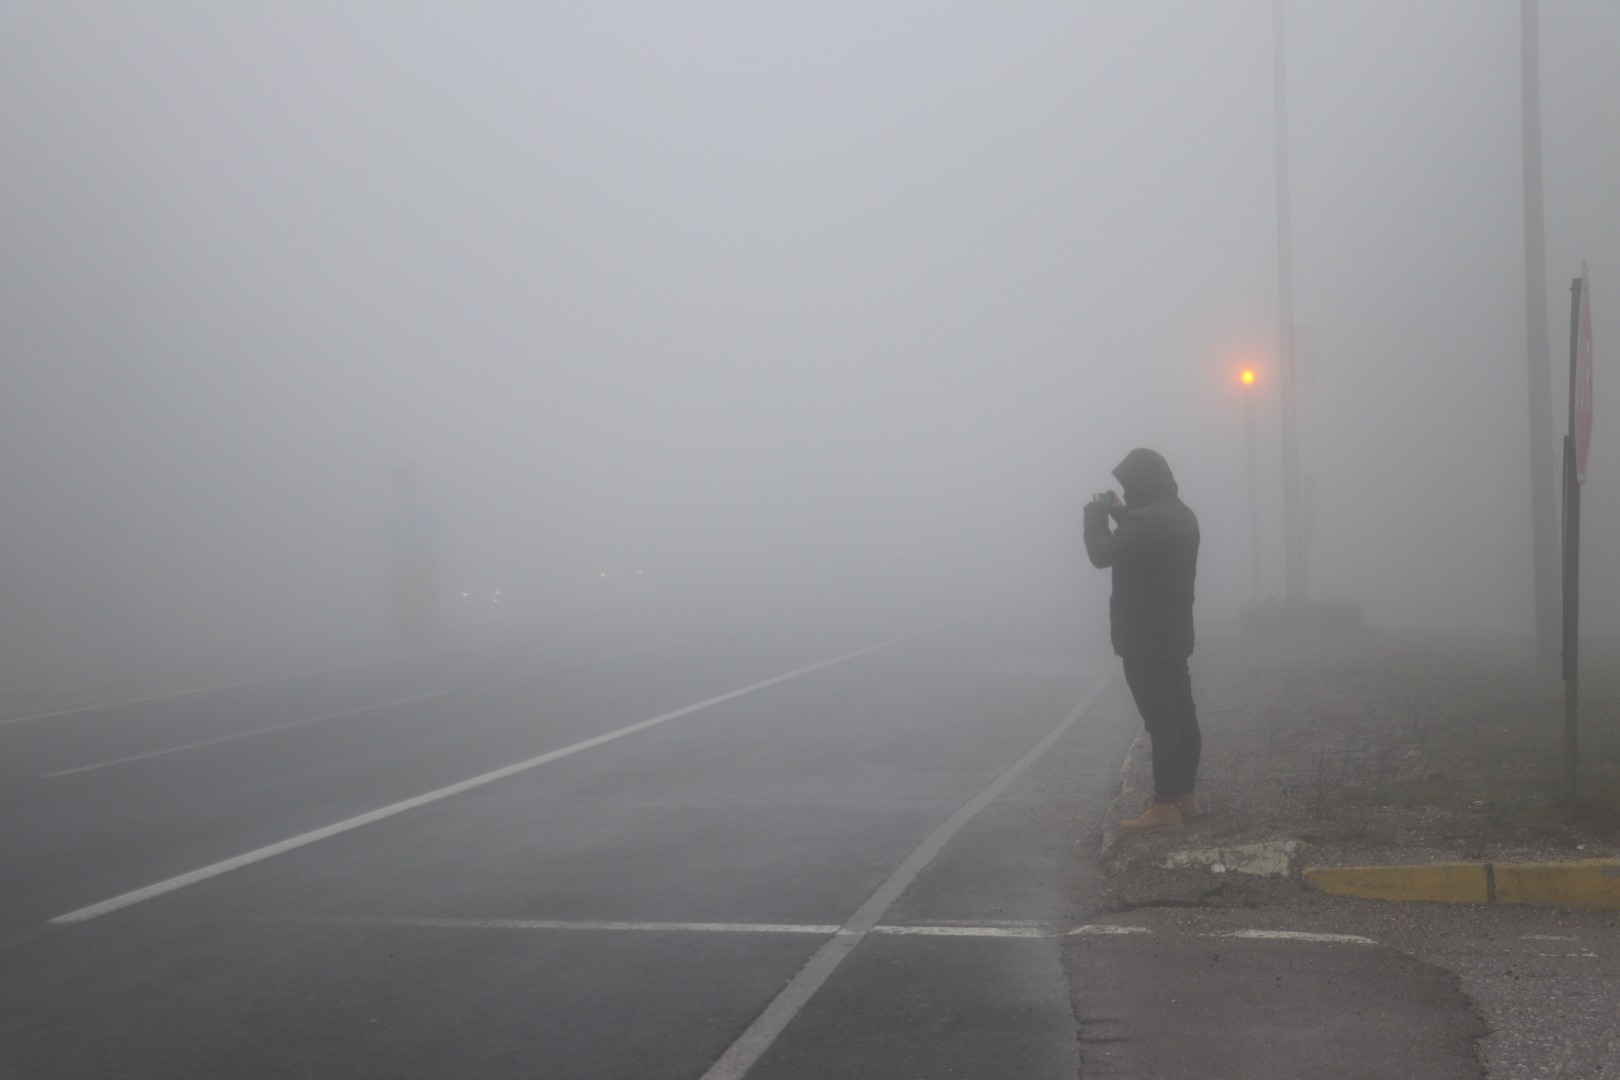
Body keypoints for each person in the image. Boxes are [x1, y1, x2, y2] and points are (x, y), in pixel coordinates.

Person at [1083, 448, 1202, 832]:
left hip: (1143, 635)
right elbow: (1145, 540)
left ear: (1139, 483)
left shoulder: (1148, 522)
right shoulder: (1181, 514)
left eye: (1128, 486)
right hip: (1174, 629)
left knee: (1160, 722)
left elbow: (1102, 554)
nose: (1126, 491)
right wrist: (1122, 513)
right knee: (1183, 715)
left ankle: (1164, 806)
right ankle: (1185, 796)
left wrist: (1096, 514)